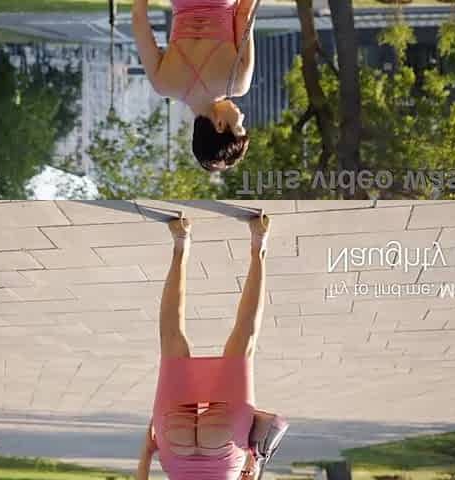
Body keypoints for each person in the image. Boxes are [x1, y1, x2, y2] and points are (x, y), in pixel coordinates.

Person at [136, 213, 288, 480]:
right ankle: (180, 242)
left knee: (244, 339)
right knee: (171, 337)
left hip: (225, 450)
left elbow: (250, 474)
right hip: (175, 444)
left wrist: (252, 462)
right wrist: (148, 451)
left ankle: (259, 244)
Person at [131, 0, 258, 171]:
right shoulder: (163, 84)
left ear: (220, 125)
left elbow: (244, 14)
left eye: (239, 126)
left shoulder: (239, 83)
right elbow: (138, 18)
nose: (242, 116)